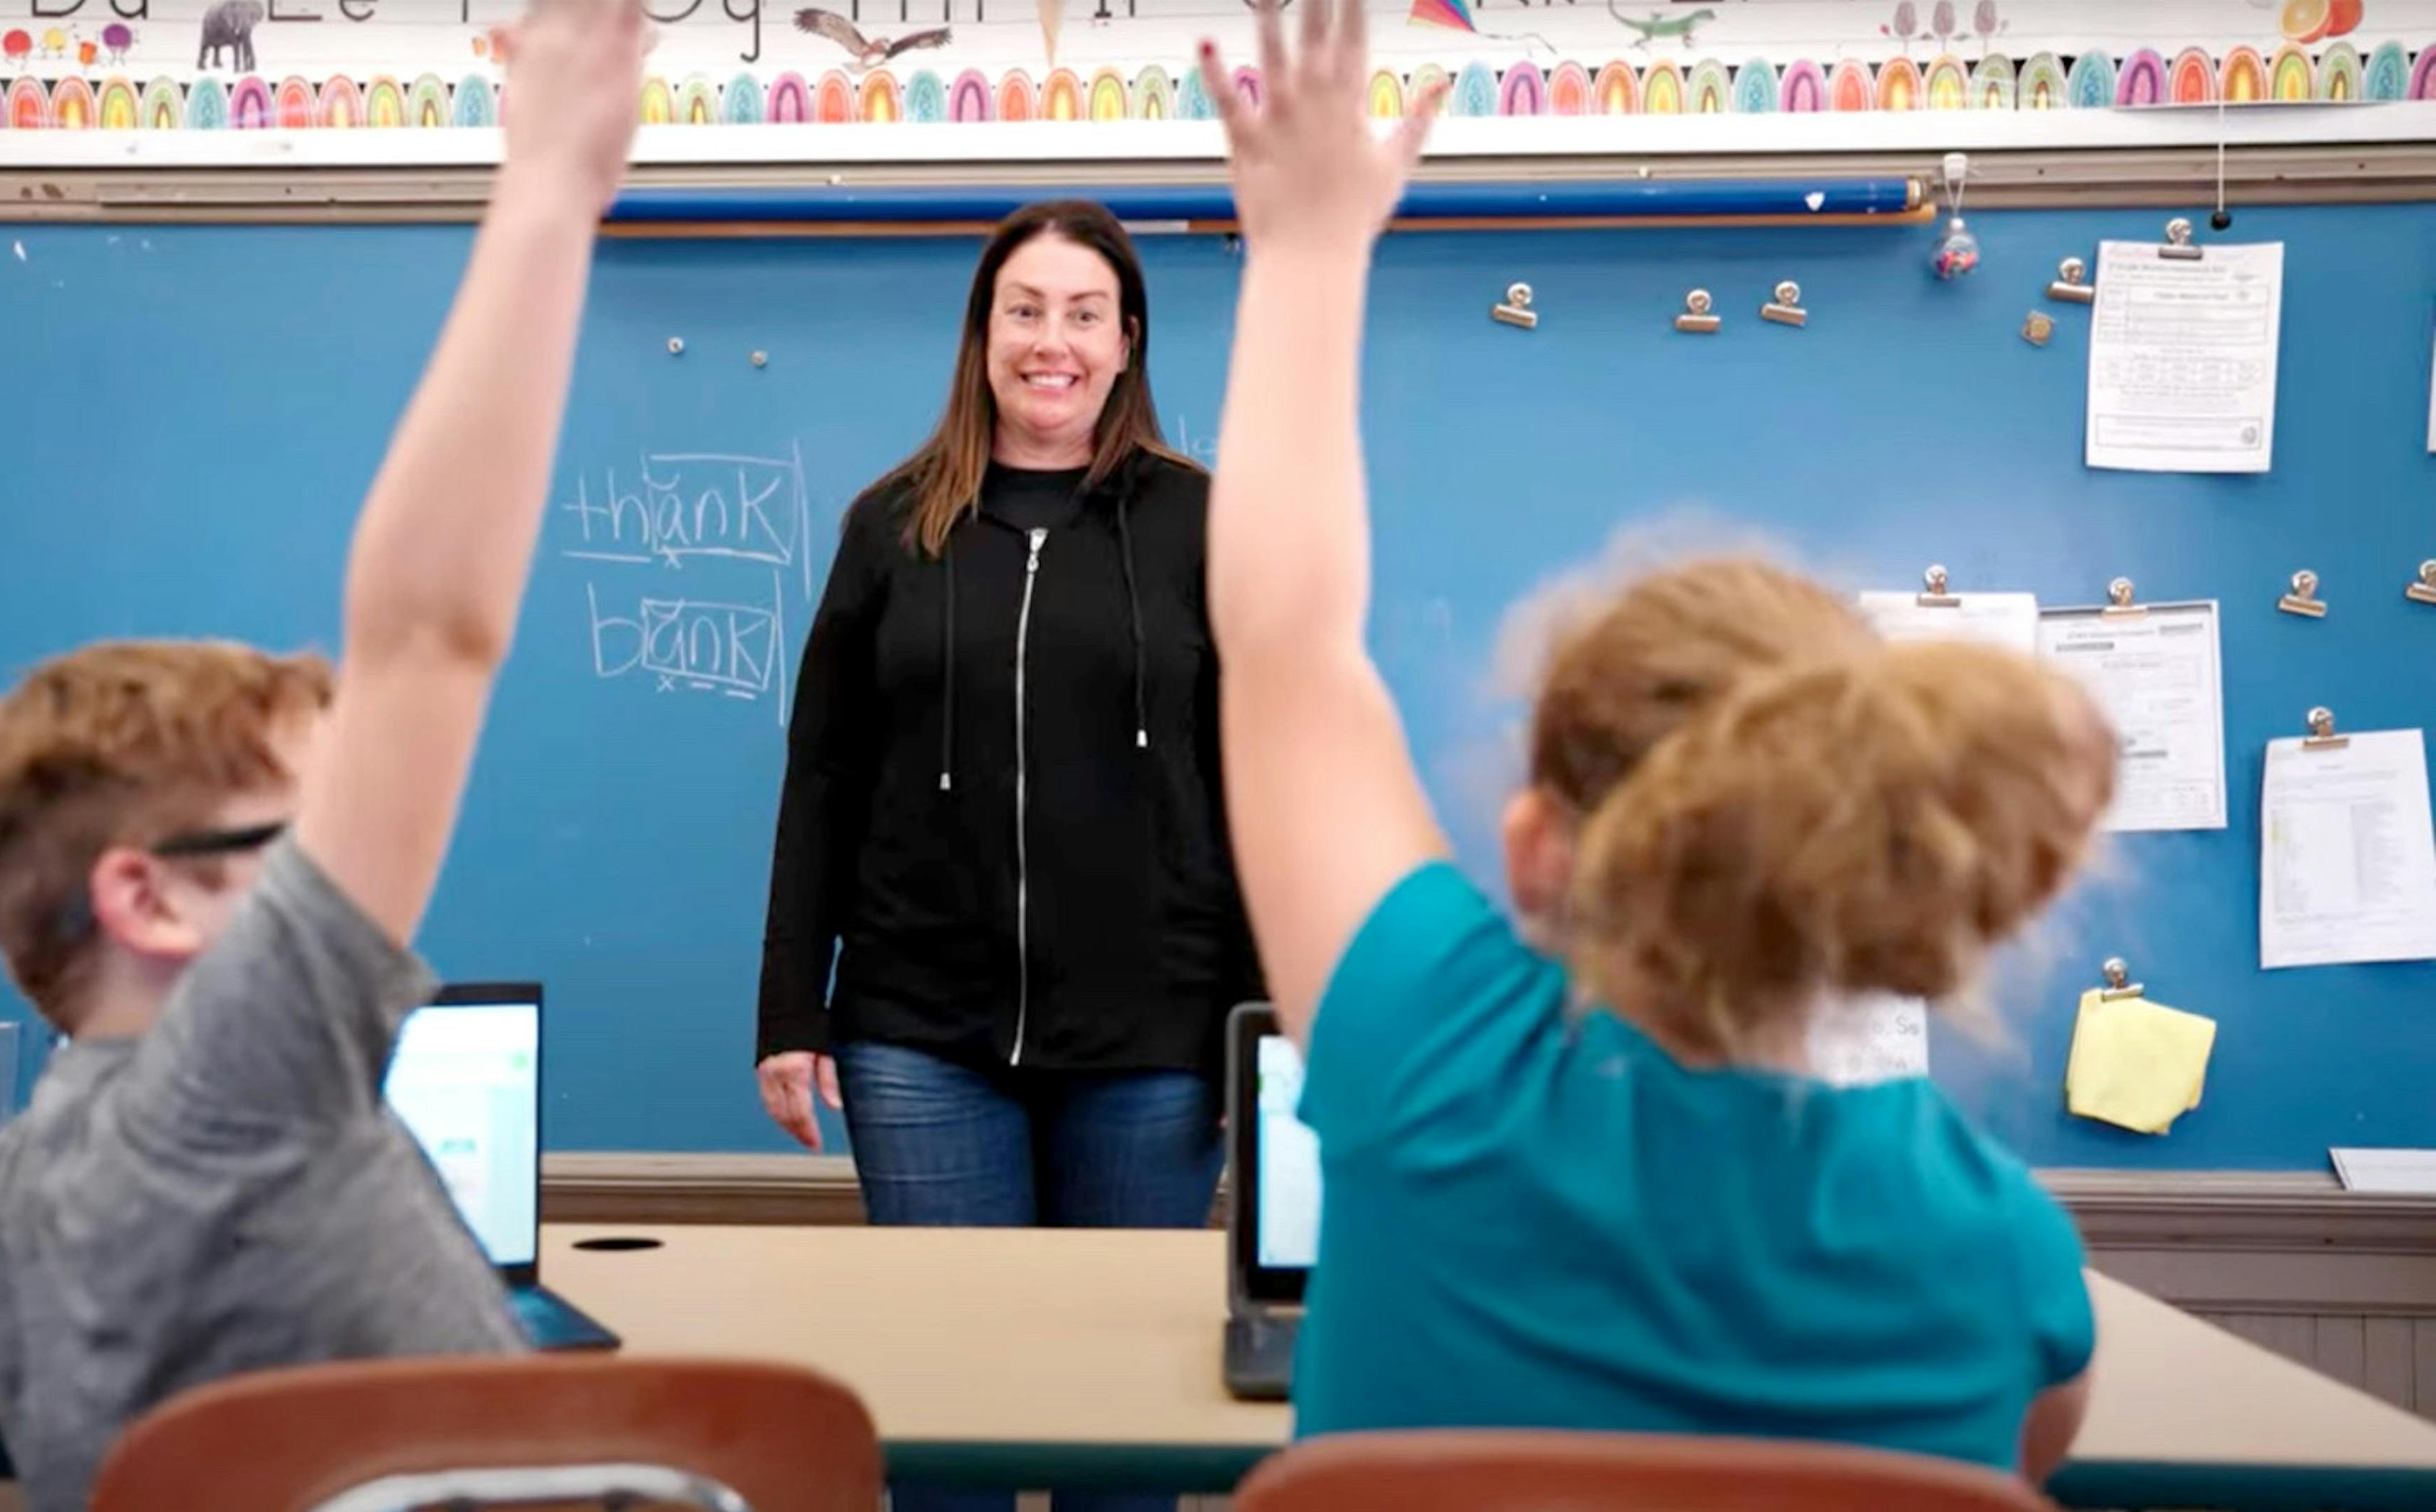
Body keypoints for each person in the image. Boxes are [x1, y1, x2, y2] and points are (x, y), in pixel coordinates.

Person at [1195, 0, 2112, 1484]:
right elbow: (2021, 1452)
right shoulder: (1998, 1249)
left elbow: (1285, 641)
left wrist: (1307, 249)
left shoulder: (1426, 1053)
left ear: (1538, 852)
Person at [0, 5, 652, 1506]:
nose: (352, 861)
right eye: (302, 840)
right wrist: (552, 180)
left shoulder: (18, 1197)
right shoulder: (242, 1076)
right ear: (149, 901)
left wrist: (107, 1394)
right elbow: (430, 632)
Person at [754, 200, 1258, 1511]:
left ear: (1128, 340)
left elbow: (1265, 785)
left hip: (1154, 1048)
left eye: (1085, 314)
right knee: (947, 1437)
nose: (1054, 341)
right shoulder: (892, 526)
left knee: (1121, 1443)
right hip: (920, 1038)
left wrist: (1259, 1033)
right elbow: (821, 781)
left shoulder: (1205, 524)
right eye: (1025, 311)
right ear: (983, 336)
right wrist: (789, 1012)